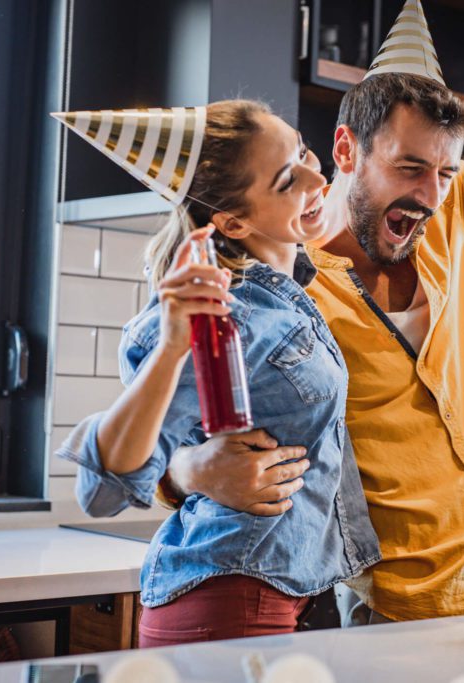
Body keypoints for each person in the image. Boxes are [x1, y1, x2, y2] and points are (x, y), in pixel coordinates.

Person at [87, 0, 464, 624]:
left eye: (446, 171)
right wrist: (188, 470)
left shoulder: (455, 213)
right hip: (404, 600)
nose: (430, 195)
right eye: (409, 167)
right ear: (346, 148)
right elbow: (157, 440)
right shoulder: (273, 279)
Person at [53, 100, 381, 645]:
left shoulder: (285, 296)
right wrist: (174, 346)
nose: (317, 173)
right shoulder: (218, 313)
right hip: (230, 598)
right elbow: (100, 494)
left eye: (302, 151)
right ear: (232, 221)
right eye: (286, 178)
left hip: (286, 589)